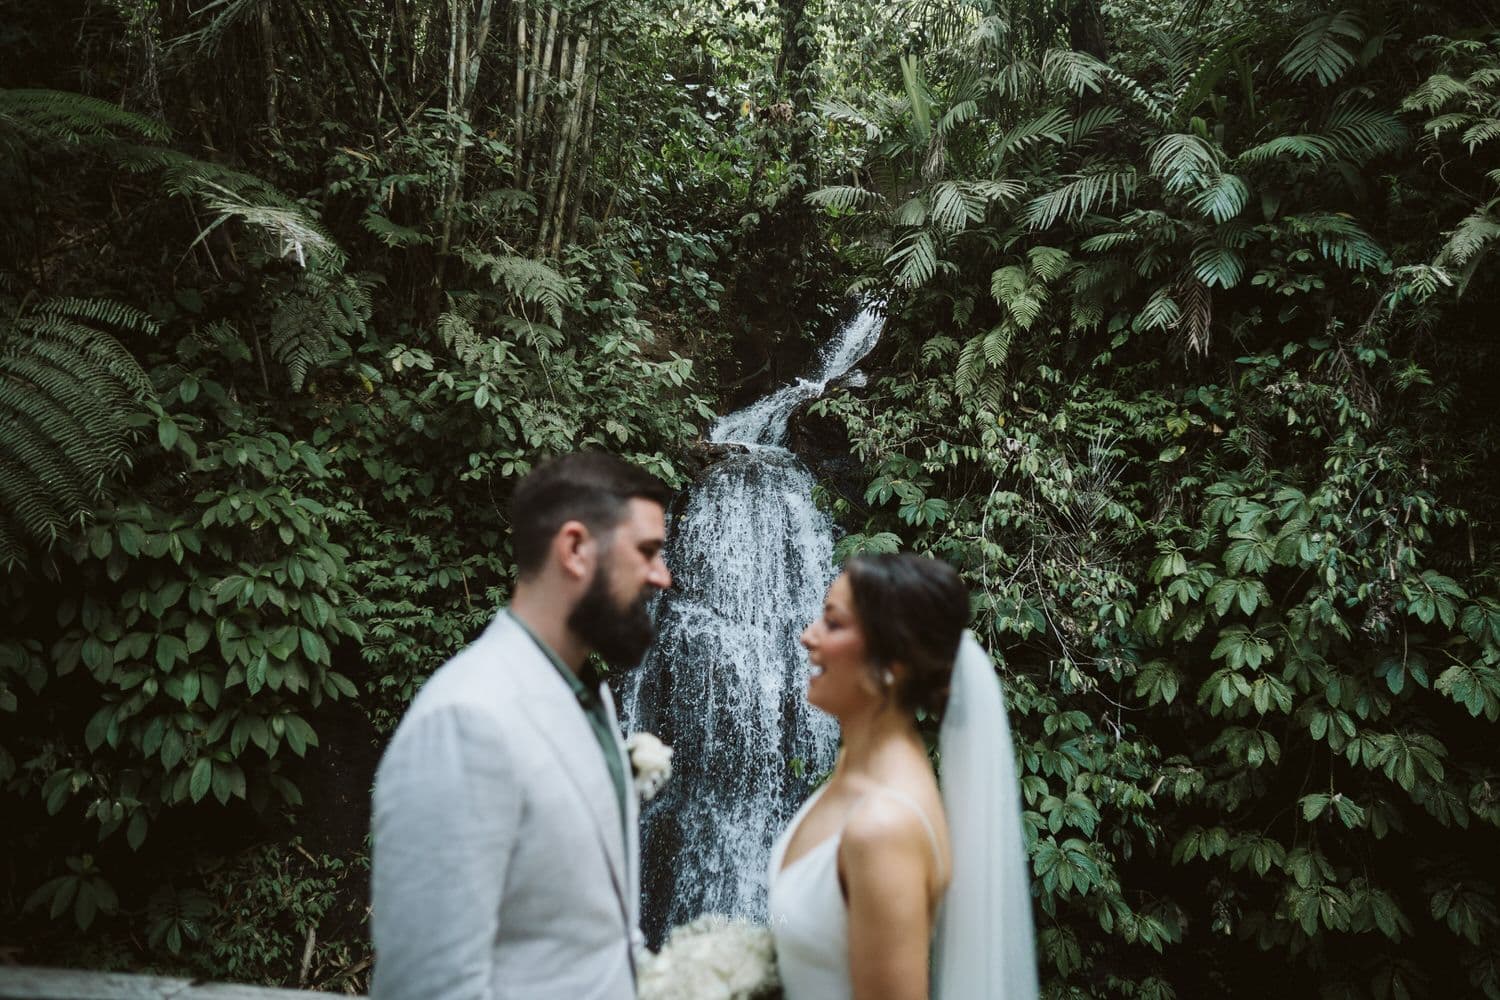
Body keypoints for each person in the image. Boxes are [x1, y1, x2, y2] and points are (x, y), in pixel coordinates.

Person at [370, 452, 673, 1000]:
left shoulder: (589, 698)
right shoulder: (465, 721)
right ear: (576, 549)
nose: (663, 576)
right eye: (648, 552)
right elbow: (431, 987)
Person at [768, 553, 1038, 1000]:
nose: (807, 636)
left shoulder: (883, 827)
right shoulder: (854, 771)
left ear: (891, 662)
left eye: (833, 624)